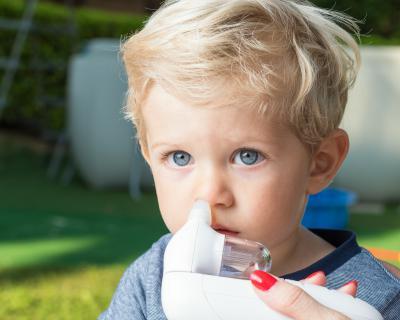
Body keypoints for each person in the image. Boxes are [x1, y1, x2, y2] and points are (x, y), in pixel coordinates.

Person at [99, 0, 400, 319]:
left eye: (247, 156)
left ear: (319, 162)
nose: (211, 194)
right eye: (180, 156)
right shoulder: (153, 276)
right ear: (148, 157)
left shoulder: (375, 297)